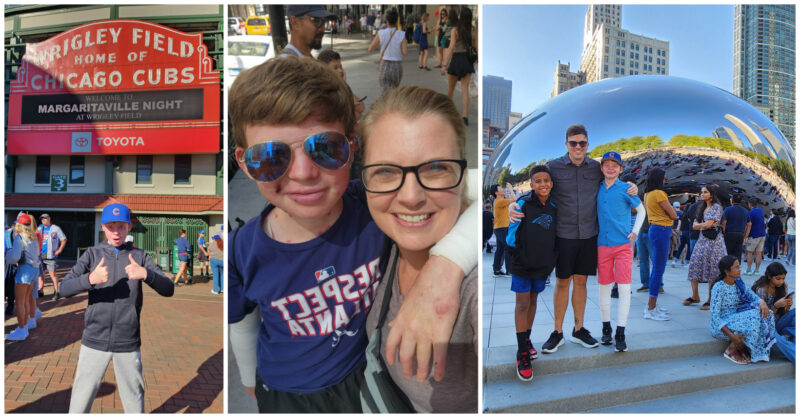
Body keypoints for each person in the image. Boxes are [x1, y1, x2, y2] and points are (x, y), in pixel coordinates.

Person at [227, 56, 476, 413]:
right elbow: (242, 321)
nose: (303, 174)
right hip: (285, 393)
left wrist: (448, 263)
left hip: (361, 381)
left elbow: (478, 182)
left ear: (352, 147)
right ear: (243, 163)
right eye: (270, 157)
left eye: (324, 149)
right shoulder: (243, 249)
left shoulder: (373, 202)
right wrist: (249, 380)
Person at [358, 85, 476, 412]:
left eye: (436, 168)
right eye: (385, 171)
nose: (411, 196)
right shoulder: (379, 236)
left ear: (463, 176)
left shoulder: (474, 289)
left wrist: (450, 262)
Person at [510, 124, 637, 353]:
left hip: (589, 234)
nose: (578, 147)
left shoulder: (596, 167)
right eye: (573, 143)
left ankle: (578, 329)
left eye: (582, 143)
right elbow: (539, 188)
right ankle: (557, 331)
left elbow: (613, 177)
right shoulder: (554, 167)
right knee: (562, 282)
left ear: (588, 145)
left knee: (581, 282)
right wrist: (514, 203)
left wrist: (632, 186)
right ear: (566, 144)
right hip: (563, 234)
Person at [60, 203, 173, 412]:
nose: (116, 232)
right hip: (94, 339)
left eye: (121, 226)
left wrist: (147, 275)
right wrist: (90, 279)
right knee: (79, 403)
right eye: (111, 226)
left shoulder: (140, 256)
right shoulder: (92, 255)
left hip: (127, 341)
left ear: (129, 227)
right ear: (103, 227)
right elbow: (63, 288)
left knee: (134, 401)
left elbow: (168, 288)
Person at [506, 165, 556, 381]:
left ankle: (526, 339)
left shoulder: (554, 206)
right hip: (522, 264)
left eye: (546, 180)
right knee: (522, 304)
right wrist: (518, 258)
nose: (543, 184)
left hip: (542, 265)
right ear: (532, 184)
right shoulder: (522, 204)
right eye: (538, 181)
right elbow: (511, 236)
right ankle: (521, 352)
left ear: (551, 183)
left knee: (533, 301)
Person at [595, 152, 645, 351]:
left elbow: (642, 210)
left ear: (621, 169)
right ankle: (606, 328)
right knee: (604, 287)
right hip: (602, 244)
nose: (610, 168)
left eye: (614, 165)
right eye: (606, 164)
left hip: (623, 245)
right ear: (601, 168)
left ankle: (621, 331)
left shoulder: (626, 189)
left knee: (624, 287)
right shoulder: (596, 188)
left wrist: (635, 232)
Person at [709, 255, 775, 364]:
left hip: (736, 316)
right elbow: (715, 316)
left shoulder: (738, 282)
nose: (740, 269)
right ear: (726, 271)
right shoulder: (718, 287)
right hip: (722, 324)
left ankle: (752, 349)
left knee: (768, 313)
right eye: (736, 267)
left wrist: (762, 302)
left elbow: (753, 296)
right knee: (755, 316)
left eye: (739, 266)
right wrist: (732, 337)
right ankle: (732, 348)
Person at [643, 168, 678, 320]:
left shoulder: (647, 194)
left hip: (654, 228)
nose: (666, 179)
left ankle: (652, 304)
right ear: (660, 178)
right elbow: (674, 214)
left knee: (656, 269)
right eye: (664, 177)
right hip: (662, 229)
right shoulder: (659, 193)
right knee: (658, 269)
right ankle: (650, 308)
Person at [685, 186, 727, 310]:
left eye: (705, 192)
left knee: (713, 269)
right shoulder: (701, 207)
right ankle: (695, 296)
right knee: (694, 264)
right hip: (702, 240)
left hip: (715, 243)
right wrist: (704, 225)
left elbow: (708, 224)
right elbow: (696, 225)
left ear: (711, 194)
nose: (702, 194)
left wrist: (702, 225)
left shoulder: (716, 207)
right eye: (702, 192)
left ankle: (710, 299)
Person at [5, 214, 41, 341]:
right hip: (33, 270)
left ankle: (21, 329)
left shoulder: (19, 237)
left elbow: (15, 256)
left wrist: (7, 255)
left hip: (24, 269)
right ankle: (24, 328)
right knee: (25, 301)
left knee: (20, 302)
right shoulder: (33, 237)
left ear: (19, 225)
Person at [751, 262, 794, 363]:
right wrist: (775, 306)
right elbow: (763, 318)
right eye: (778, 279)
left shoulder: (783, 286)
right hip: (766, 324)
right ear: (770, 277)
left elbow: (784, 313)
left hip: (779, 320)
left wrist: (787, 305)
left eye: (783, 278)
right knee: (779, 337)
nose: (781, 282)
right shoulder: (761, 290)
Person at [440, 7, 476, 126]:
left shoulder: (455, 30)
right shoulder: (474, 29)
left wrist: (444, 65)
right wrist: (475, 62)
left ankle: (446, 112)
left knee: (451, 88)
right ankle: (464, 116)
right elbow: (476, 47)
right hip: (467, 60)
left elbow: (450, 48)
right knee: (465, 90)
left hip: (456, 59)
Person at [317, 49, 366, 124]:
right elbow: (356, 115)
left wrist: (344, 85)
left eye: (341, 67)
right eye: (335, 68)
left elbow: (361, 108)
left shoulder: (338, 86)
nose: (340, 71)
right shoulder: (323, 91)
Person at [367, 9, 407, 96]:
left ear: (386, 20)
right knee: (395, 90)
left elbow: (370, 49)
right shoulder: (402, 34)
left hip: (385, 65)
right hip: (397, 66)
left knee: (385, 92)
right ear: (397, 20)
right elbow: (405, 53)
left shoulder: (381, 33)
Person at [38, 213, 67, 301]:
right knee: (41, 274)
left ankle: (56, 291)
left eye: (45, 218)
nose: (43, 220)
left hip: (51, 255)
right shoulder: (39, 228)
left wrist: (59, 250)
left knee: (52, 274)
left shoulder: (55, 228)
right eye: (42, 219)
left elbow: (64, 239)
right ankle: (41, 290)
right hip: (41, 255)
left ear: (49, 219)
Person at [491, 183, 514, 276]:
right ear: (496, 193)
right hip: (502, 228)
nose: (503, 190)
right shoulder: (499, 201)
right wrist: (511, 189)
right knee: (508, 248)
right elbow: (515, 199)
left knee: (500, 249)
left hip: (500, 227)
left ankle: (496, 269)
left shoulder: (500, 201)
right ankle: (510, 270)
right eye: (500, 189)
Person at [722, 194, 751, 262]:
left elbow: (724, 222)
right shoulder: (745, 211)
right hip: (740, 234)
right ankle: (736, 268)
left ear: (732, 201)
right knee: (737, 254)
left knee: (727, 253)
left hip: (729, 234)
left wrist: (723, 233)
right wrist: (745, 236)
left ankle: (727, 269)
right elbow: (749, 224)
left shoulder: (728, 209)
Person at [744, 198, 767, 275]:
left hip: (754, 235)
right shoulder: (760, 210)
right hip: (762, 234)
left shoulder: (751, 213)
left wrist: (746, 236)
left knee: (750, 252)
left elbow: (749, 225)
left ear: (750, 204)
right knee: (758, 253)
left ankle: (749, 269)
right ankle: (756, 270)